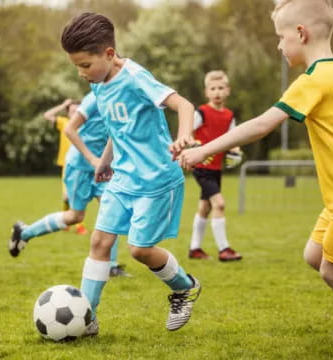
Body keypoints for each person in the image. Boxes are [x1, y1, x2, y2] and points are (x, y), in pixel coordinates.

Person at [178, 0, 333, 357]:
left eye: (280, 38)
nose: (279, 46)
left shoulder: (313, 80)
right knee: (316, 256)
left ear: (300, 33)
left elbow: (261, 125)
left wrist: (204, 150)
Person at [60, 12, 201, 336]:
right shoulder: (98, 85)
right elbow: (117, 128)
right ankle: (87, 318)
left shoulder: (136, 77)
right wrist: (104, 162)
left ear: (109, 54)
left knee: (139, 250)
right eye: (76, 67)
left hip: (155, 179)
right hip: (122, 178)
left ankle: (185, 287)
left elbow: (185, 105)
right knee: (99, 241)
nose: (81, 74)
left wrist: (183, 137)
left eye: (85, 65)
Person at [9, 92, 130, 277]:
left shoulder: (119, 100)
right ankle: (24, 233)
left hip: (102, 167)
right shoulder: (94, 98)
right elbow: (69, 130)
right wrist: (92, 159)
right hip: (79, 166)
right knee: (75, 216)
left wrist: (110, 163)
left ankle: (110, 266)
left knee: (112, 211)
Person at [189, 70, 243, 262]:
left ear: (227, 90)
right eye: (213, 88)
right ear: (207, 92)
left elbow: (234, 138)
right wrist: (194, 145)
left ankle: (195, 249)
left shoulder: (229, 116)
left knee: (205, 207)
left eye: (221, 88)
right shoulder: (201, 112)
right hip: (201, 167)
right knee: (219, 203)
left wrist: (236, 152)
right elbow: (187, 132)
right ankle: (224, 249)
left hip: (216, 169)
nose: (217, 92)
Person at [44, 99, 88, 235]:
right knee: (66, 197)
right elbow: (47, 115)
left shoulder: (85, 125)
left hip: (83, 165)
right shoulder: (64, 123)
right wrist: (62, 105)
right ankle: (66, 222)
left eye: (77, 110)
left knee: (77, 195)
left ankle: (79, 226)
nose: (75, 113)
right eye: (72, 110)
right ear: (68, 113)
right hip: (67, 164)